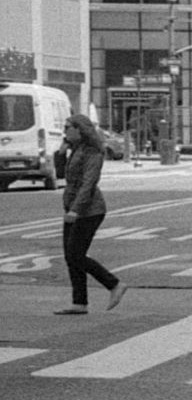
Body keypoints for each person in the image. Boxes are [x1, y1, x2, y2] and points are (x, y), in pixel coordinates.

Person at [57, 114, 127, 316]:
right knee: (71, 256)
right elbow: (61, 175)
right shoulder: (75, 149)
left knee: (75, 254)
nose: (64, 131)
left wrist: (76, 209)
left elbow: (89, 183)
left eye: (68, 127)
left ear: (80, 129)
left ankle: (114, 284)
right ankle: (79, 302)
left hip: (89, 210)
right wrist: (61, 153)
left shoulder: (92, 152)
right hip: (73, 207)